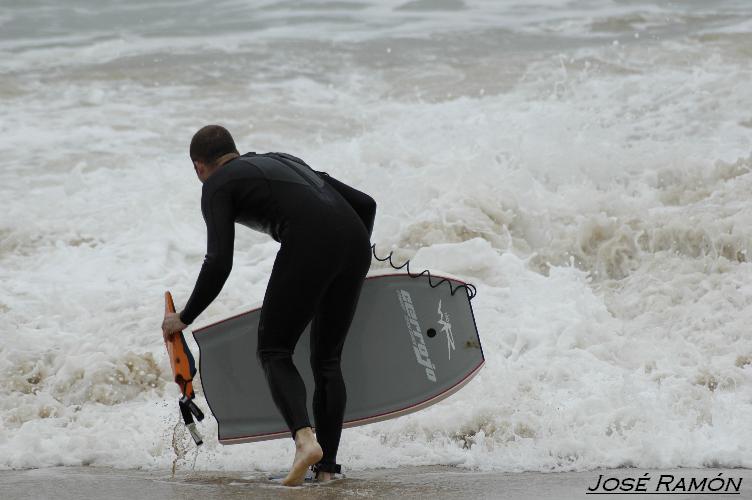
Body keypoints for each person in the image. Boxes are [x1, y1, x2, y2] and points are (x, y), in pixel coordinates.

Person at [161, 124, 376, 486]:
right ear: (233, 150)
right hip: (355, 242)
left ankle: (305, 442)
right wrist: (345, 261)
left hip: (309, 244)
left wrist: (184, 317)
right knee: (326, 360)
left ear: (199, 166)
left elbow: (218, 262)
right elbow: (365, 204)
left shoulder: (217, 184)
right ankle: (326, 471)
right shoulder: (283, 160)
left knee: (274, 349)